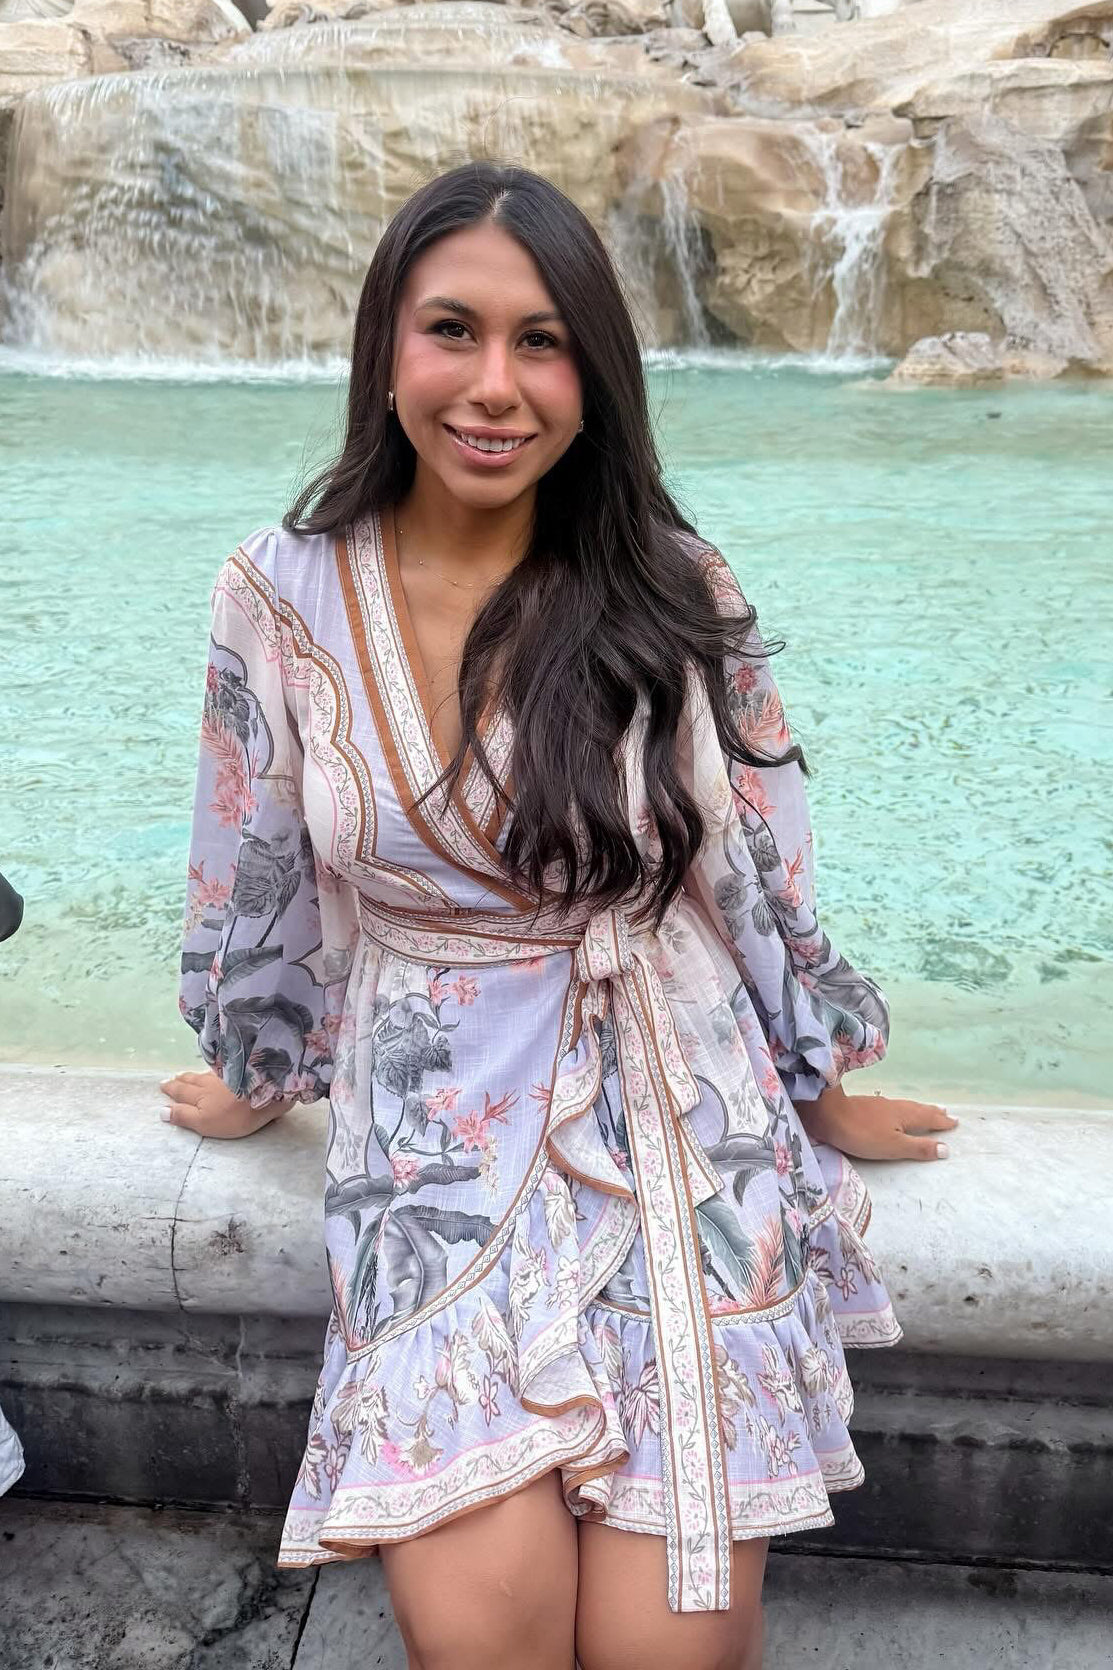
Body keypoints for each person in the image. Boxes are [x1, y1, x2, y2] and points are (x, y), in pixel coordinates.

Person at [160, 161, 956, 1670]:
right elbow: (253, 865)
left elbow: (755, 860)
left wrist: (821, 1080)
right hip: (436, 1144)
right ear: (385, 346)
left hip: (673, 1102)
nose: (494, 386)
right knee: (486, 1644)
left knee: (668, 1653)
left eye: (543, 342)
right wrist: (262, 1068)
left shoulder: (669, 582)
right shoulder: (276, 592)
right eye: (451, 330)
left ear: (595, 375)